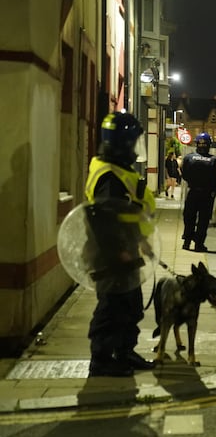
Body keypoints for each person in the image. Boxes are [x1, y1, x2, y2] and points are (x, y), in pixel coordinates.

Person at [84, 112, 156, 376]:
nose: (137, 148)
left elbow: (126, 214)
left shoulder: (116, 171)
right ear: (123, 143)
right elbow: (103, 220)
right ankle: (102, 360)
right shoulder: (109, 176)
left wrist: (141, 242)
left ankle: (125, 352)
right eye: (134, 142)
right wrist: (121, 252)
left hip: (125, 248)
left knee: (131, 306)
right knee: (111, 308)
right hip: (110, 255)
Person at [181, 132, 216, 252]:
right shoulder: (214, 160)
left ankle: (187, 241)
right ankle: (199, 244)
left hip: (193, 191)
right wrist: (214, 190)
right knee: (203, 220)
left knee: (189, 217)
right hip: (207, 194)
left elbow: (184, 174)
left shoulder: (189, 158)